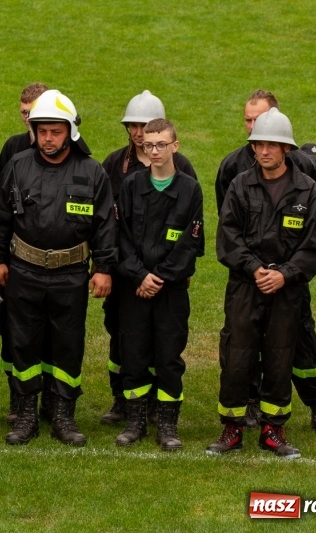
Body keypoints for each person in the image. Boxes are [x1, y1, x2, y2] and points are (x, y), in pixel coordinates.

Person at [0, 89, 117, 446]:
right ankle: (26, 413)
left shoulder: (92, 172)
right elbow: (0, 217)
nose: (48, 138)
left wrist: (103, 268)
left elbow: (105, 224)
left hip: (71, 274)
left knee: (67, 344)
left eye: (55, 131)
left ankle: (62, 415)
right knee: (23, 342)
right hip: (23, 271)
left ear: (70, 131)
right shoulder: (17, 166)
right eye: (42, 130)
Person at [215, 90, 316, 435]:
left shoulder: (307, 184)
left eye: (271, 143)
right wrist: (254, 269)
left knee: (287, 353)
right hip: (246, 284)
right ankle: (233, 427)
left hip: (289, 287)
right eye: (257, 141)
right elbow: (228, 232)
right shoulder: (237, 180)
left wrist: (284, 274)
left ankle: (285, 423)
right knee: (238, 354)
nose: (263, 150)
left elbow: (312, 242)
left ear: (286, 147)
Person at [99, 90, 198, 427]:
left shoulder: (186, 178)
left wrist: (162, 277)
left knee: (167, 353)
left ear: (173, 144)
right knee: (128, 347)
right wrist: (137, 274)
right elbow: (114, 229)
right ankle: (129, 411)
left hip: (167, 286)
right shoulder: (118, 168)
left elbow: (190, 237)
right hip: (130, 281)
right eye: (134, 128)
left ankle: (164, 417)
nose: (142, 137)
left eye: (149, 131)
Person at [0, 82, 51, 425]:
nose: (29, 118)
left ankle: (52, 402)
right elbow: (0, 207)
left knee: (51, 333)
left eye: (36, 112)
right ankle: (19, 398)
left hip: (53, 264)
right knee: (13, 330)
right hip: (16, 261)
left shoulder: (69, 151)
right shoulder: (12, 148)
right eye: (25, 112)